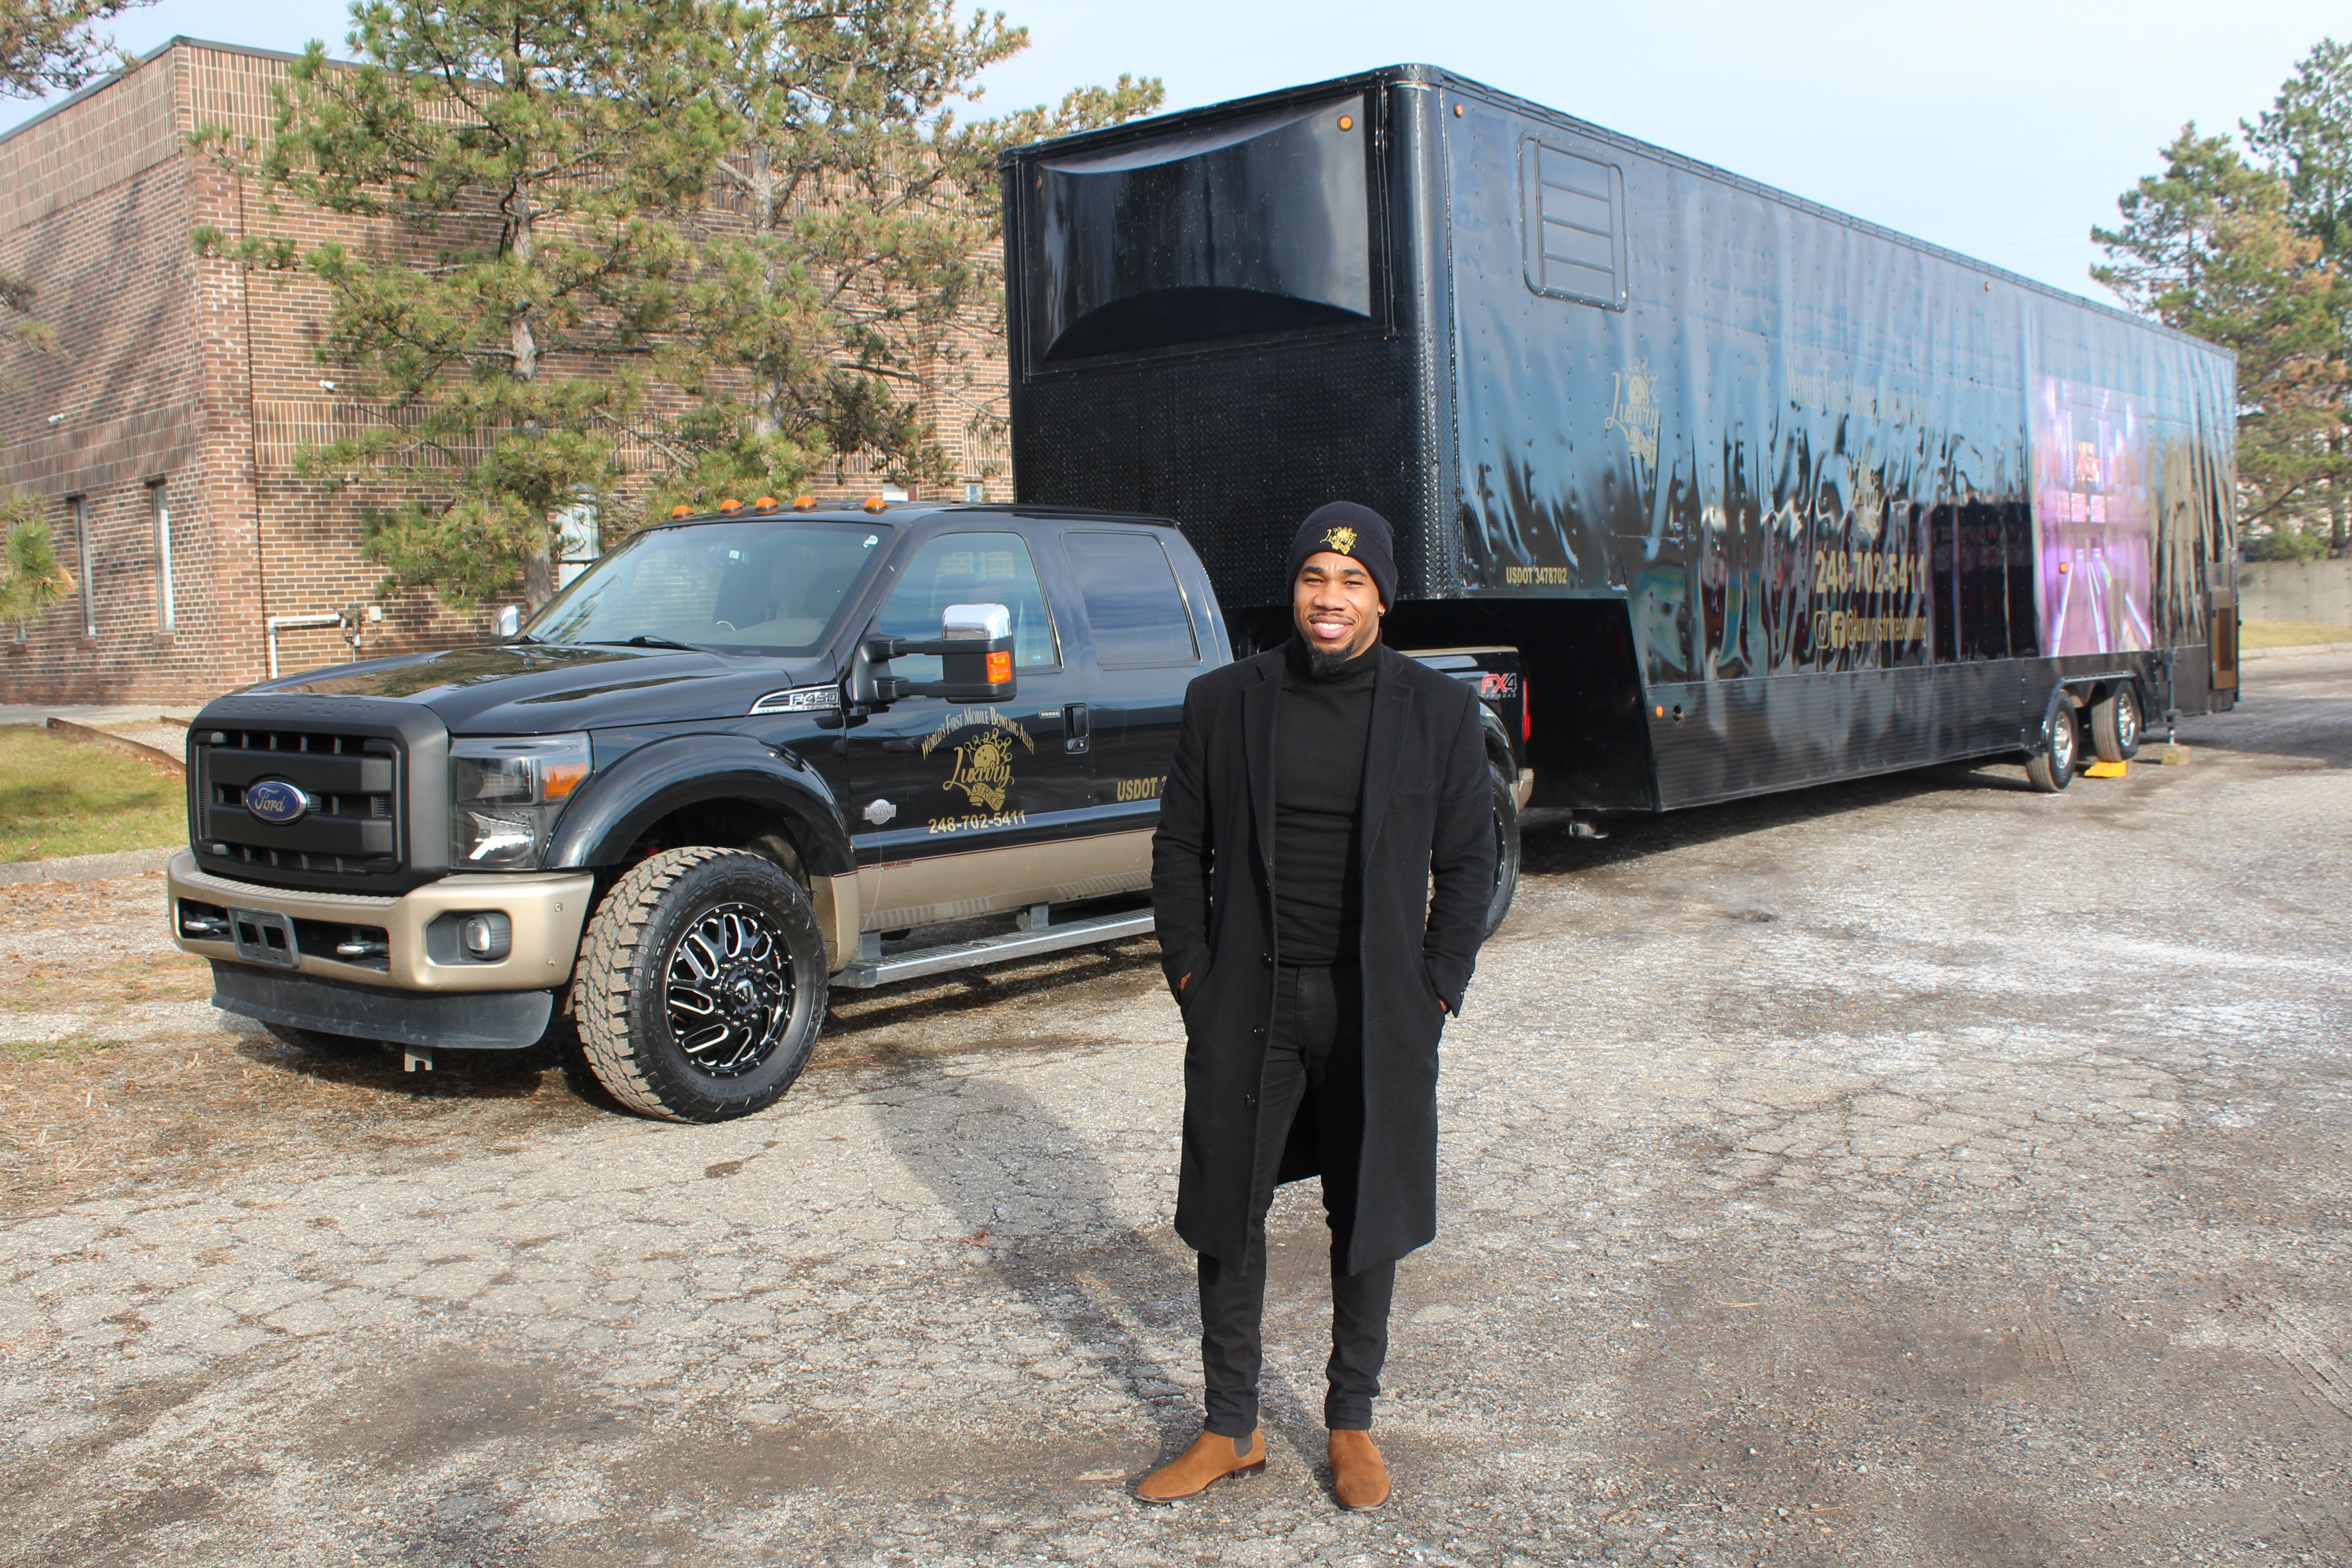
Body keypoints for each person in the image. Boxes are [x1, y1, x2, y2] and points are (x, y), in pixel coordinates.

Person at [1141, 501, 1496, 1509]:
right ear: (1293, 588)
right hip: (1246, 999)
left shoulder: (1434, 711)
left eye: (1351, 582)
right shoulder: (1225, 701)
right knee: (1228, 1210)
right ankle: (1230, 1426)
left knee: (1366, 1209)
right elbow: (1178, 849)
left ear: (1381, 597)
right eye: (1312, 579)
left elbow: (1469, 861)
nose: (1328, 599)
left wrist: (1435, 986)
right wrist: (1192, 976)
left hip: (1376, 1005)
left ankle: (1350, 1422)